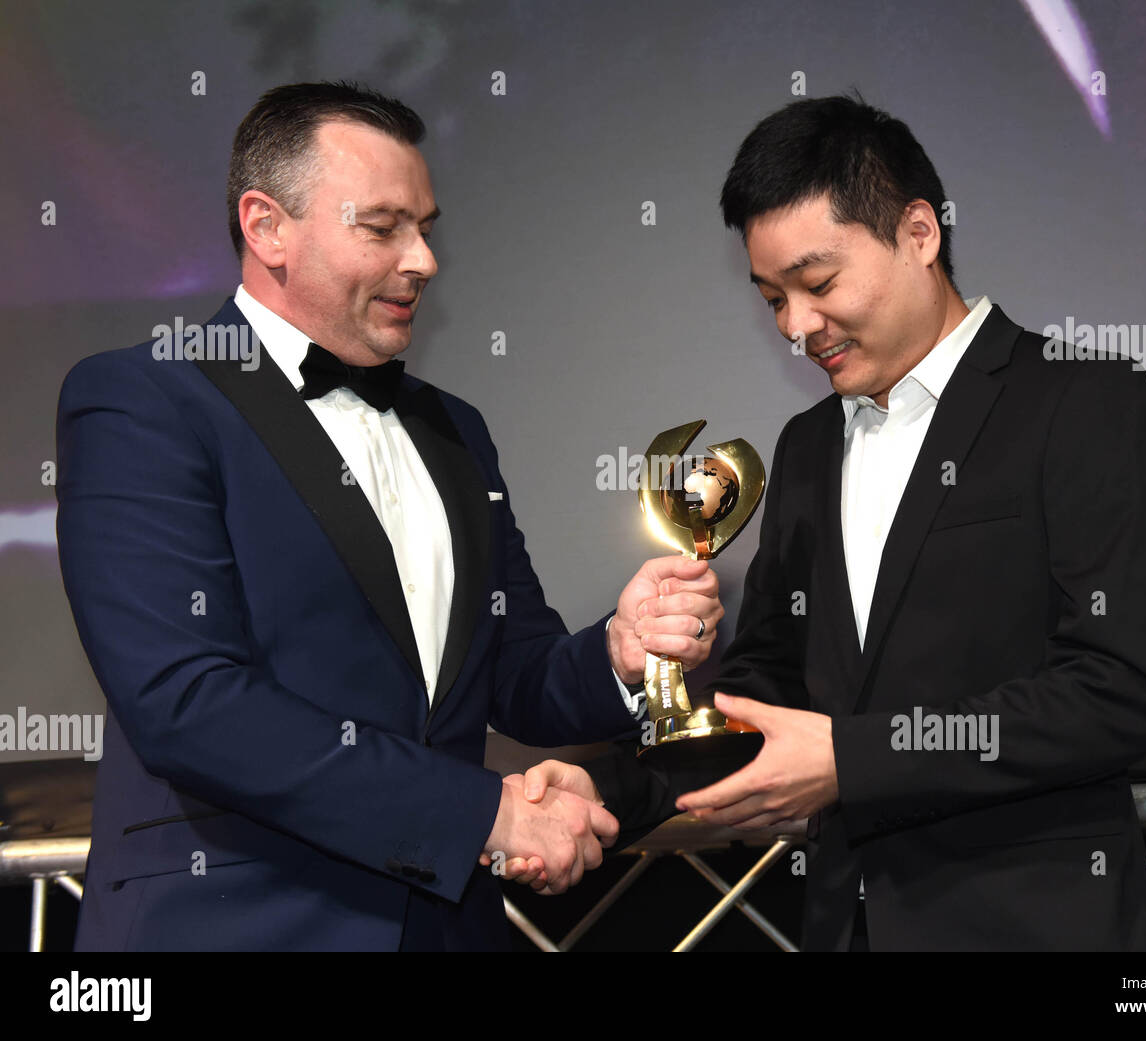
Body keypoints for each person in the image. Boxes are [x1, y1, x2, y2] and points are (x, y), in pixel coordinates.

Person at [55, 81, 723, 951]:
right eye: (382, 227)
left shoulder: (455, 430)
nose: (423, 261)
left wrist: (618, 653)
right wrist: (487, 813)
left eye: (427, 228)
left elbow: (511, 670)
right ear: (267, 227)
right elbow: (187, 702)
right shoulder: (141, 399)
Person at [514, 95, 1146, 951]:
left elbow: (1118, 691)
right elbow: (765, 697)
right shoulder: (807, 446)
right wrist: (603, 787)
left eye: (818, 283)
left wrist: (853, 761)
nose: (797, 326)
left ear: (919, 233)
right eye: (772, 299)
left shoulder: (1085, 400)